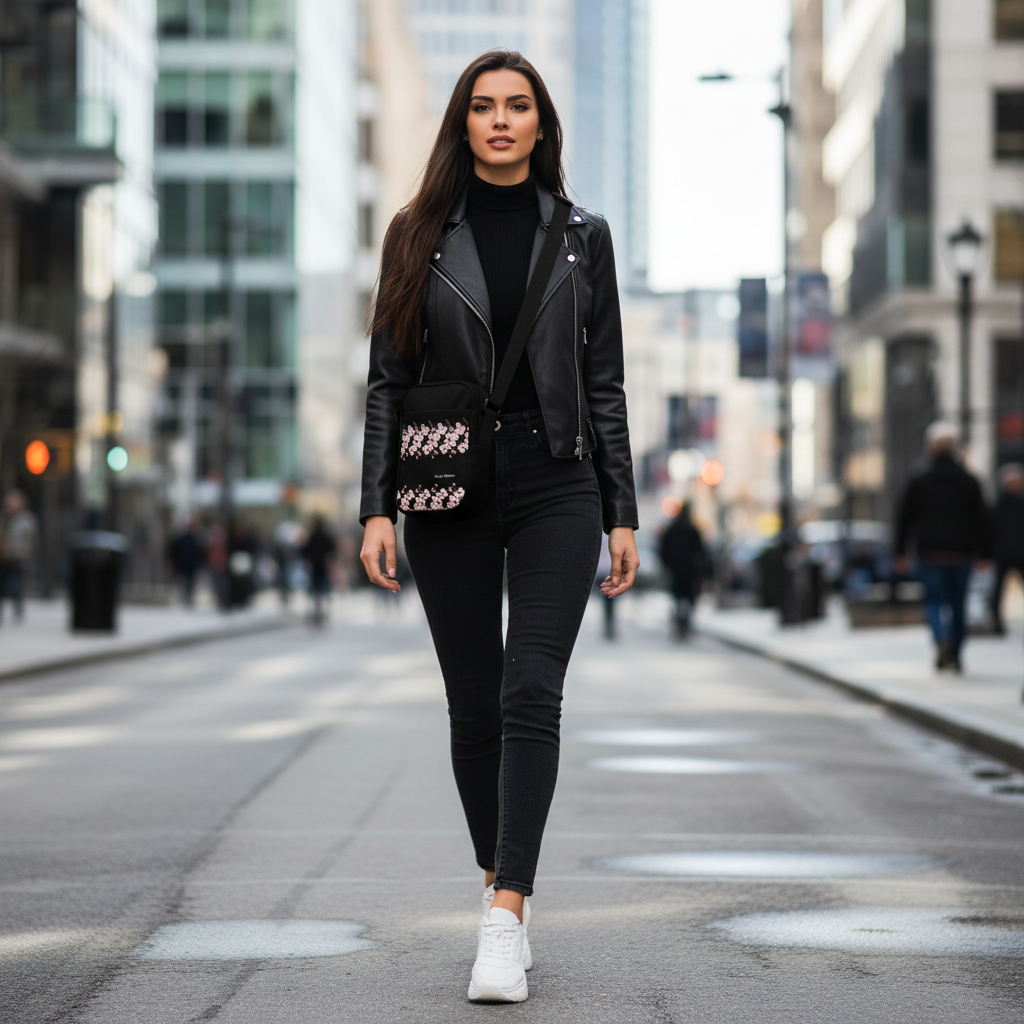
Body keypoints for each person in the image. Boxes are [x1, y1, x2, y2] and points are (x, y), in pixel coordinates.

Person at [358, 50, 639, 1004]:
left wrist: (621, 512)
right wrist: (374, 507)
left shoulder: (582, 237)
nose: (502, 120)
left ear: (542, 123)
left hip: (557, 479)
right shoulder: (418, 233)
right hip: (451, 483)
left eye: (519, 105)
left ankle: (505, 913)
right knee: (475, 705)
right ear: (463, 124)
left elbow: (605, 384)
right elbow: (388, 382)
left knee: (531, 690)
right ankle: (497, 875)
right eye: (484, 107)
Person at [895, 422, 989, 672]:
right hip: (962, 552)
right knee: (958, 604)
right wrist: (986, 554)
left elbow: (904, 518)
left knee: (934, 601)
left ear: (930, 449)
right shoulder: (970, 481)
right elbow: (982, 519)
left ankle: (941, 639)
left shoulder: (919, 480)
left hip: (931, 552)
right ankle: (956, 653)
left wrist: (900, 552)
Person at [658, 501, 708, 638]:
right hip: (688, 571)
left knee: (679, 596)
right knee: (688, 596)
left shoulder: (673, 530)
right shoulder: (692, 530)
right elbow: (701, 552)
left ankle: (682, 621)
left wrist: (668, 564)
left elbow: (663, 550)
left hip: (678, 570)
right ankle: (683, 621)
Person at [989, 463, 1024, 635]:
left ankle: (995, 620)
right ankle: (995, 620)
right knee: (997, 590)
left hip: (1018, 553)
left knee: (998, 589)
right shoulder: (998, 505)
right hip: (1002, 553)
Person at [0, 490, 38, 623]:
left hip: (17, 556)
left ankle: (18, 610)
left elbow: (29, 539)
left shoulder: (26, 519)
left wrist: (22, 551)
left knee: (15, 584)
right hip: (3, 556)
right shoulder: (4, 517)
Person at [301, 515, 336, 626]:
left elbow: (305, 552)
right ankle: (323, 612)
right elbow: (332, 551)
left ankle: (317, 612)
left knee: (315, 591)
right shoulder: (325, 536)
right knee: (323, 590)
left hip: (315, 566)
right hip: (322, 566)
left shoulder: (312, 537)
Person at [167, 517, 206, 607]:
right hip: (182, 566)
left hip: (192, 566)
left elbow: (200, 553)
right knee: (182, 584)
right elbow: (173, 551)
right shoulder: (180, 538)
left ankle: (188, 599)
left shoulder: (197, 540)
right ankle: (183, 600)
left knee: (191, 584)